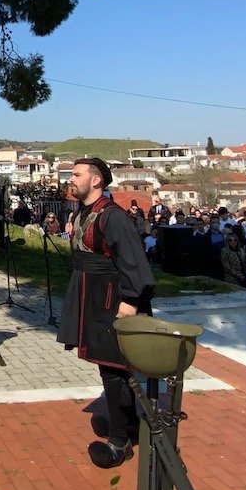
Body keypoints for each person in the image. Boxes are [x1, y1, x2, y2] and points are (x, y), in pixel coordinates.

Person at [57, 157, 155, 470]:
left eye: (76, 174)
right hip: (93, 294)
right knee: (108, 368)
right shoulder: (86, 211)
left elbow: (133, 262)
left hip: (112, 299)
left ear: (96, 180)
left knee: (116, 371)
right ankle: (124, 423)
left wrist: (129, 300)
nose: (71, 179)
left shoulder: (114, 217)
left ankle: (119, 442)